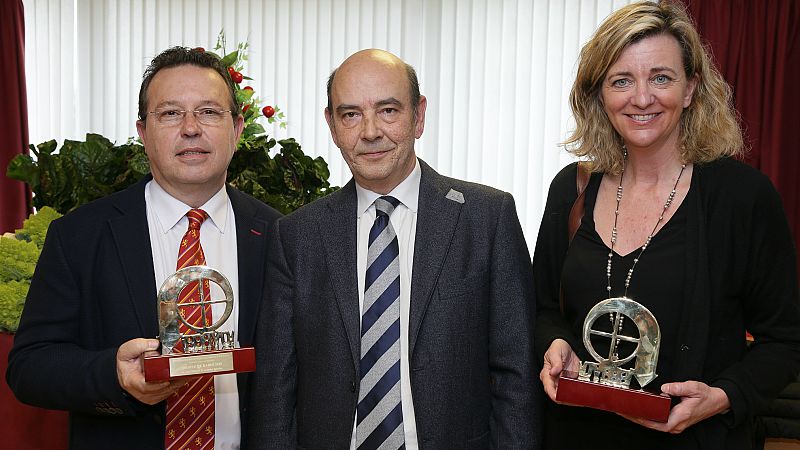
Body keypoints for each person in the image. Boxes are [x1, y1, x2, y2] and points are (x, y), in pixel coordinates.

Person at [534, 1, 800, 449]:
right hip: (576, 434)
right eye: (622, 80)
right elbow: (544, 308)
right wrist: (555, 343)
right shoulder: (571, 189)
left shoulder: (743, 198)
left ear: (691, 88)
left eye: (661, 77)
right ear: (599, 94)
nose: (642, 98)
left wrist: (722, 397)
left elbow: (786, 342)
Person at [247, 49, 539, 449]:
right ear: (332, 125)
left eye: (388, 110)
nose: (370, 132)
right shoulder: (297, 236)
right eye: (351, 114)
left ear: (418, 116)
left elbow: (516, 375)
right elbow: (275, 390)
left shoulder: (487, 218)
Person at [7, 47, 282, 449]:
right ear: (142, 132)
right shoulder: (80, 235)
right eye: (170, 113)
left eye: (208, 112)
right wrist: (114, 375)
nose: (191, 128)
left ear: (237, 129)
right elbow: (29, 367)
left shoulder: (279, 235)